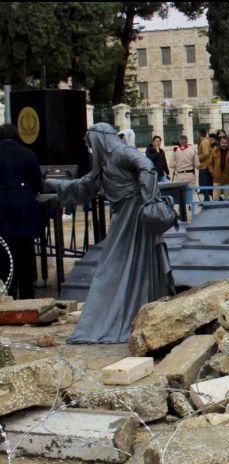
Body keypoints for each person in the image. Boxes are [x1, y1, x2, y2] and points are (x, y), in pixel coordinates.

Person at [46, 123, 174, 343]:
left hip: (135, 214)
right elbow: (84, 185)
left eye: (92, 143)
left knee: (114, 264)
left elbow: (147, 166)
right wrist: (53, 186)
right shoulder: (104, 163)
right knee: (122, 263)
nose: (91, 149)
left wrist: (148, 197)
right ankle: (124, 311)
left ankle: (126, 312)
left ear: (101, 140)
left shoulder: (123, 152)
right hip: (124, 216)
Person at [0, 124, 42, 299]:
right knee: (25, 255)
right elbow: (38, 183)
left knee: (4, 256)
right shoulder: (28, 153)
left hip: (2, 209)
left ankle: (7, 295)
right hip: (24, 209)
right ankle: (27, 295)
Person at [210, 135, 229, 201]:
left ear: (228, 143)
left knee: (227, 199)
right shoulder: (215, 151)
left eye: (225, 143)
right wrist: (213, 172)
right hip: (217, 178)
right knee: (215, 199)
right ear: (220, 143)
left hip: (227, 179)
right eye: (222, 143)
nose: (224, 145)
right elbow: (210, 163)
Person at [197, 129, 213, 201]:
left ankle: (207, 199)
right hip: (204, 166)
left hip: (204, 166)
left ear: (199, 134)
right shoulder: (205, 142)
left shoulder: (204, 142)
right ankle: (206, 199)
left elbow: (206, 153)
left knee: (203, 184)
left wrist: (197, 159)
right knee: (204, 184)